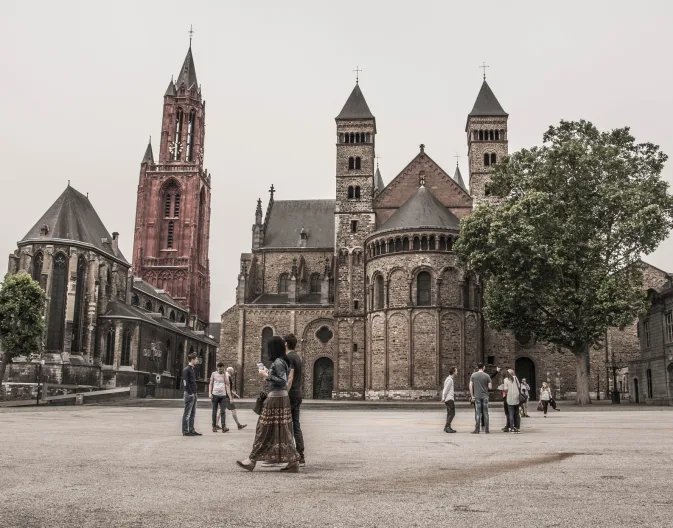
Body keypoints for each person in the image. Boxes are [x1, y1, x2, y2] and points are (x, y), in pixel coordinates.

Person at [236, 336, 300, 472]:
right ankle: (293, 461)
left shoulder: (278, 362)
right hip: (282, 398)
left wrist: (266, 376)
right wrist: (268, 372)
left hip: (275, 398)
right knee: (284, 430)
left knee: (263, 428)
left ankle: (251, 460)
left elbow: (282, 381)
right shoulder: (284, 361)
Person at [284, 334, 305, 467]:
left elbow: (290, 377)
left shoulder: (289, 357)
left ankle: (290, 455)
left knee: (285, 425)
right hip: (297, 393)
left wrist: (285, 392)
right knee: (295, 425)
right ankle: (300, 455)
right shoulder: (297, 356)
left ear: (286, 343)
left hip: (291, 394)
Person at [182, 353, 201, 436]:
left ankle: (191, 429)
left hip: (194, 394)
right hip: (189, 394)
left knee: (193, 413)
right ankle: (185, 431)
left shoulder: (192, 369)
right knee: (187, 413)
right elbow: (185, 382)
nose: (197, 361)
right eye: (196, 359)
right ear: (192, 360)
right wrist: (190, 392)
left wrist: (195, 393)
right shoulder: (186, 369)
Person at [469, 363, 492, 434]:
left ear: (477, 367)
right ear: (483, 367)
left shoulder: (473, 375)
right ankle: (487, 429)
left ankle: (477, 429)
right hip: (485, 396)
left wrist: (472, 396)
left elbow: (470, 386)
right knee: (486, 413)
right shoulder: (487, 376)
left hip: (477, 396)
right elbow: (490, 387)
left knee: (478, 413)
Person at [209, 362, 232, 433]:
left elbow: (227, 384)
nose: (220, 369)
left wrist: (225, 374)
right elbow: (211, 383)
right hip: (215, 394)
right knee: (214, 411)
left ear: (223, 368)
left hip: (223, 395)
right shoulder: (213, 374)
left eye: (222, 368)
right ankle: (214, 426)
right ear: (217, 368)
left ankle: (223, 426)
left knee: (223, 411)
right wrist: (210, 393)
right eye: (219, 368)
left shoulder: (225, 374)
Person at [504, 369, 522, 433]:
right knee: (517, 414)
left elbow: (505, 389)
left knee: (511, 413)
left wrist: (507, 389)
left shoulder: (506, 380)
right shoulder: (515, 378)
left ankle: (511, 428)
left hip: (509, 398)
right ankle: (518, 428)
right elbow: (519, 386)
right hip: (516, 398)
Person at [441, 367, 457, 433]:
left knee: (449, 413)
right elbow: (446, 389)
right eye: (456, 371)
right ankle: (447, 427)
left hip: (448, 398)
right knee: (452, 413)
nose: (457, 372)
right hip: (449, 399)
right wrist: (443, 398)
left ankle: (447, 427)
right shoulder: (450, 380)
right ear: (453, 372)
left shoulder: (449, 379)